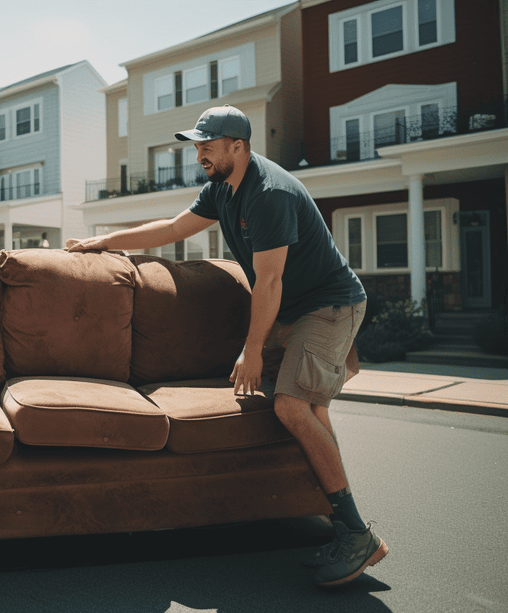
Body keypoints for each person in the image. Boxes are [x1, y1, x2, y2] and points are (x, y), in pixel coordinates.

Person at [67, 105, 386, 588]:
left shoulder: (269, 193)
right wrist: (104, 243)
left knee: (292, 407)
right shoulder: (221, 187)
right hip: (296, 309)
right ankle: (339, 520)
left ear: (238, 146)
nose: (199, 154)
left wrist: (252, 349)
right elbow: (175, 229)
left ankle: (357, 534)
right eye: (197, 146)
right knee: (312, 410)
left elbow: (271, 279)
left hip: (327, 306)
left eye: (207, 146)